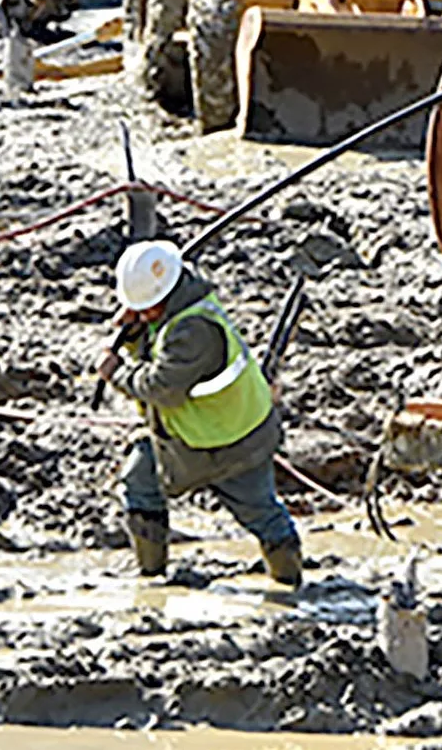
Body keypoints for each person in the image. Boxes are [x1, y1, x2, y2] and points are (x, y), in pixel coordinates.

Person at [98, 240, 301, 587]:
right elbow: (158, 356)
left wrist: (116, 373)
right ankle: (151, 577)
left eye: (148, 308)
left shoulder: (193, 330)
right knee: (140, 480)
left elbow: (162, 386)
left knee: (263, 517)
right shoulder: (183, 308)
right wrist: (134, 335)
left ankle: (289, 587)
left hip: (230, 444)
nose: (144, 314)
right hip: (207, 434)